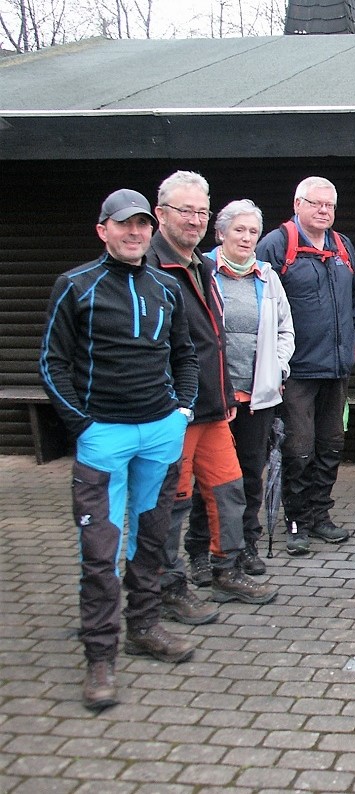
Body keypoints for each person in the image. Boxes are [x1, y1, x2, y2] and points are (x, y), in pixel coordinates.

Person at [40, 188, 199, 711]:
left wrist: (181, 411)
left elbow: (186, 355)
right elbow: (51, 362)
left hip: (159, 434)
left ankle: (144, 627)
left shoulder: (165, 286)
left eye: (141, 226)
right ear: (102, 230)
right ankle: (100, 657)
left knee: (152, 541)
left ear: (151, 231)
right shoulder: (76, 286)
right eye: (123, 225)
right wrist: (81, 425)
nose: (134, 234)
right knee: (100, 555)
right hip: (102, 437)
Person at [147, 171, 276, 616]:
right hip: (174, 414)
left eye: (201, 210)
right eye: (186, 210)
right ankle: (167, 587)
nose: (195, 219)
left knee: (229, 491)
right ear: (161, 214)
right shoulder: (149, 267)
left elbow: (212, 341)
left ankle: (226, 571)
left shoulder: (200, 267)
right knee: (172, 502)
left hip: (215, 408)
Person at [257, 176, 355, 555]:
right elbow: (261, 306)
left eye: (330, 206)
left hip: (337, 368)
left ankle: (320, 516)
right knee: (298, 449)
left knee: (331, 445)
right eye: (316, 204)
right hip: (297, 372)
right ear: (298, 203)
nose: (324, 211)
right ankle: (295, 521)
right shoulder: (275, 245)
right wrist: (274, 364)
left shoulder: (342, 246)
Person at [189, 199, 295, 577]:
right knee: (210, 480)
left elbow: (285, 328)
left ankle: (246, 546)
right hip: (213, 398)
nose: (247, 237)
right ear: (220, 233)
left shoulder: (267, 276)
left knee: (250, 476)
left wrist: (276, 366)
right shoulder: (200, 271)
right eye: (239, 230)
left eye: (253, 231)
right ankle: (200, 551)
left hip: (257, 399)